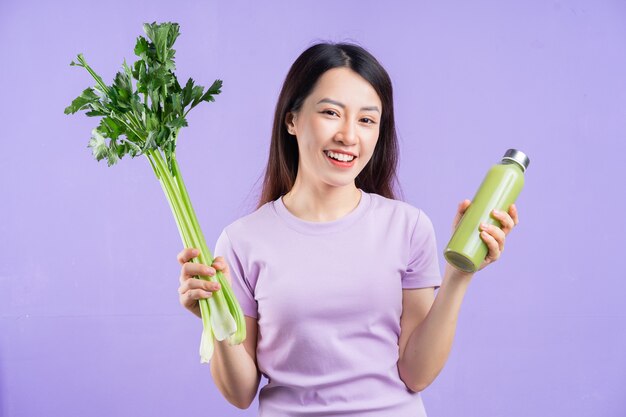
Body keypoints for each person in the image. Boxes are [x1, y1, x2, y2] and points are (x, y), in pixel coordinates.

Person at [175, 42, 519, 416]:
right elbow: (240, 393)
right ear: (292, 120)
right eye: (330, 113)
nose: (348, 135)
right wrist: (214, 318)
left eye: (367, 120)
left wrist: (458, 275)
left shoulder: (408, 227)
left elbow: (416, 374)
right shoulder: (242, 241)